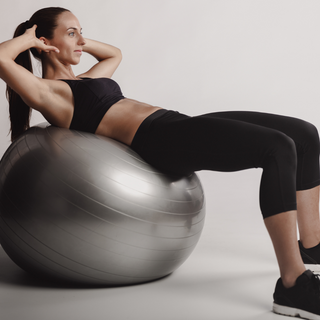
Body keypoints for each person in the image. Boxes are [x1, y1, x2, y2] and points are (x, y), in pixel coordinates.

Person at [0, 6, 320, 319]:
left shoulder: (84, 79)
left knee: (305, 135)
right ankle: (292, 282)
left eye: (81, 32)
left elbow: (114, 54)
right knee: (278, 148)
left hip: (175, 122)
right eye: (72, 33)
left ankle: (312, 245)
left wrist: (76, 38)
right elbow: (2, 59)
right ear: (46, 43)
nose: (81, 41)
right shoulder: (51, 94)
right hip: (160, 140)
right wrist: (30, 38)